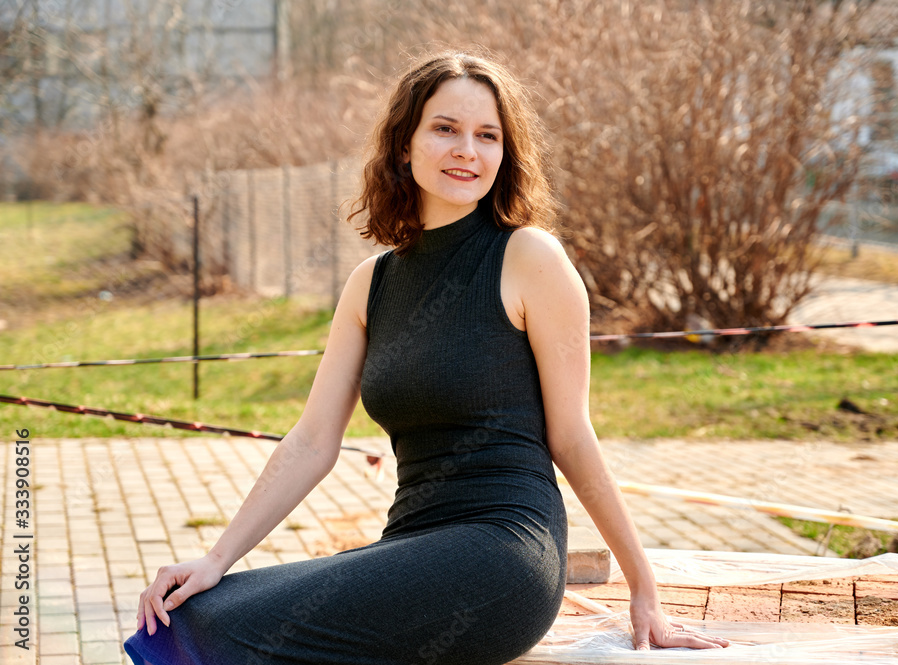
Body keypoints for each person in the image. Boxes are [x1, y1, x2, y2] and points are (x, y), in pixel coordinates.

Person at [124, 50, 729, 665]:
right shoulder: (372, 284)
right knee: (190, 613)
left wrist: (643, 588)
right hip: (411, 543)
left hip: (502, 554)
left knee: (221, 636)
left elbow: (573, 436)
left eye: (487, 135)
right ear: (403, 146)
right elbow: (311, 441)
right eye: (445, 128)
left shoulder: (529, 259)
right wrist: (217, 557)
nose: (467, 149)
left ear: (504, 153)